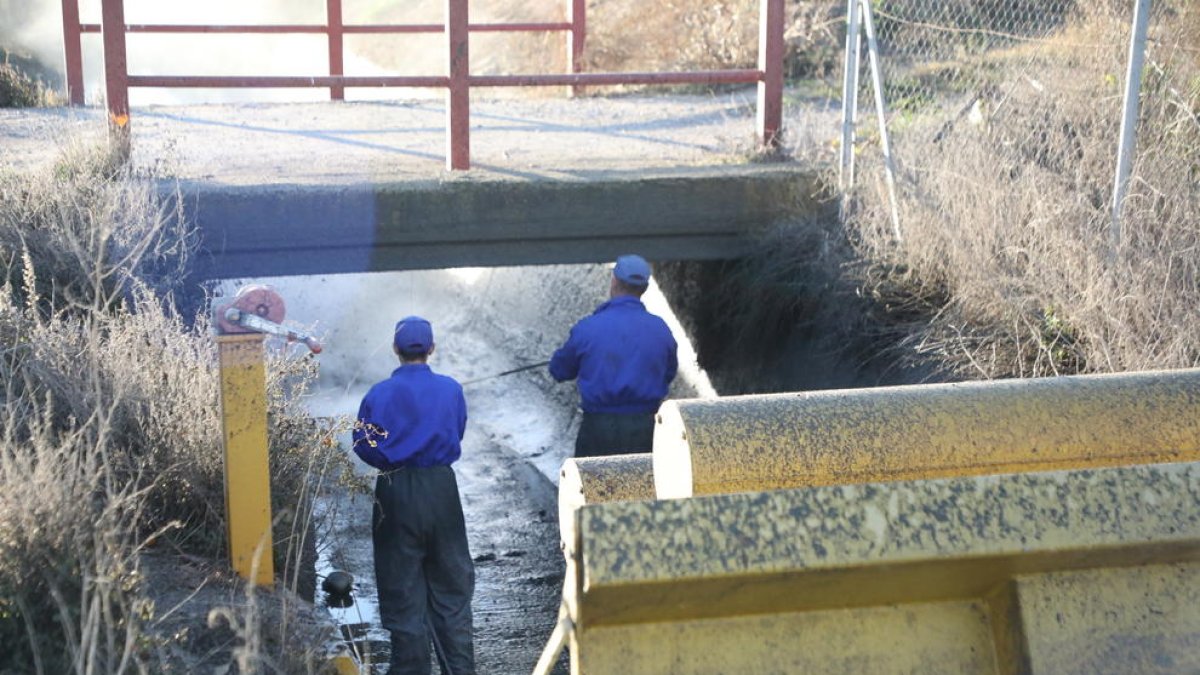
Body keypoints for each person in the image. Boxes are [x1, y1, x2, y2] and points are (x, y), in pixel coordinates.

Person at [352, 316, 475, 675]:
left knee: (402, 590)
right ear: (431, 348)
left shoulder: (378, 394)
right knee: (452, 590)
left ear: (395, 349)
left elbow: (362, 444)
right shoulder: (451, 389)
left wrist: (388, 457)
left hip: (395, 490)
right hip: (441, 490)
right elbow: (458, 430)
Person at [550, 254, 678, 457]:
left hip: (598, 428)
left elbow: (559, 370)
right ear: (644, 289)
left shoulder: (588, 329)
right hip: (646, 427)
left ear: (614, 281)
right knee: (640, 486)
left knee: (593, 486)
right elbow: (669, 372)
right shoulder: (661, 330)